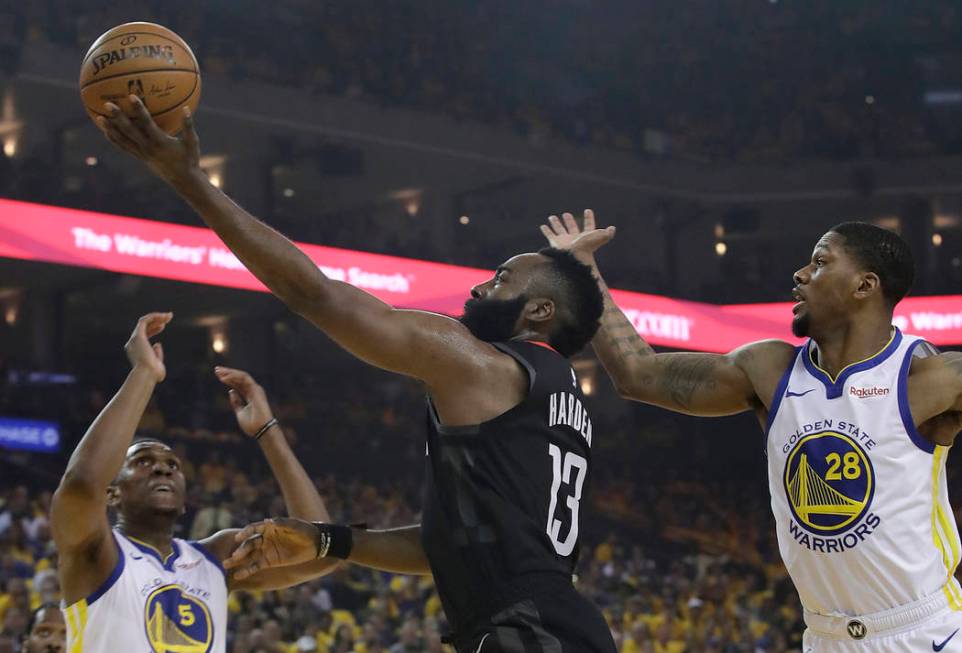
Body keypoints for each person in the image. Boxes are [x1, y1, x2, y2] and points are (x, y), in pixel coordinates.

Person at [96, 98, 615, 653]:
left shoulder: (487, 366)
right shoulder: (561, 405)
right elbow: (443, 548)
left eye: (501, 279)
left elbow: (315, 295)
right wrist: (328, 541)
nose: (480, 288)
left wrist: (191, 180)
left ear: (538, 314)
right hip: (552, 624)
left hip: (526, 633)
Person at [539, 210, 962, 651]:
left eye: (820, 263)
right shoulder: (769, 369)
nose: (800, 274)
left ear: (865, 285)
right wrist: (582, 268)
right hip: (826, 637)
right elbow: (637, 374)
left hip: (926, 632)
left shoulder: (928, 376)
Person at [51, 313, 339, 653]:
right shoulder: (95, 552)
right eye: (143, 462)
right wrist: (144, 374)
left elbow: (320, 551)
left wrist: (267, 431)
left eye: (173, 465)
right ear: (111, 493)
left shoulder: (215, 558)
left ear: (185, 499)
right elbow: (82, 484)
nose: (163, 469)